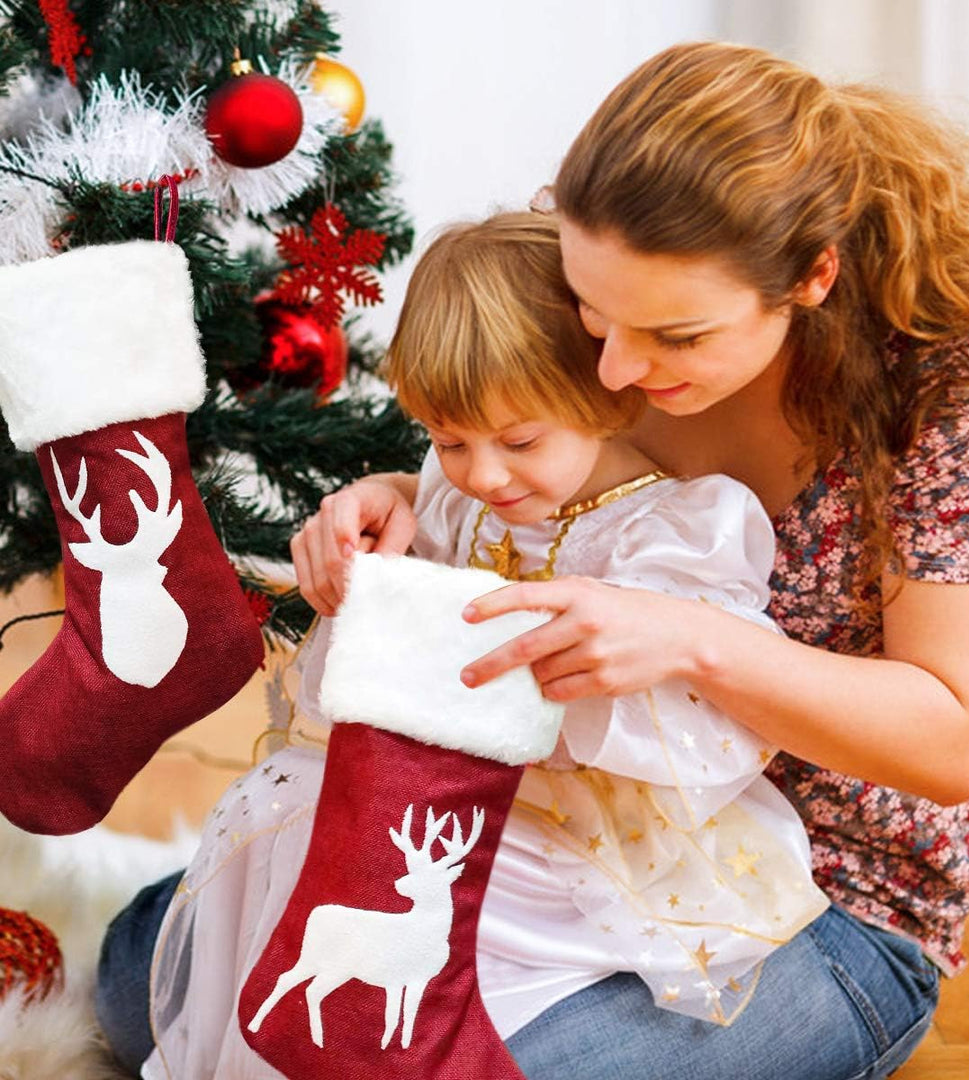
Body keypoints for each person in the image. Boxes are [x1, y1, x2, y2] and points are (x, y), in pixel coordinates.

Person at [97, 41, 969, 1080]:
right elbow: (518, 452)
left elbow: (957, 742)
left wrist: (692, 645)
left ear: (811, 277)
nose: (615, 368)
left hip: (823, 905)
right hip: (549, 826)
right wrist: (400, 500)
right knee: (141, 987)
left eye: (674, 337)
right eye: (596, 320)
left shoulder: (950, 393)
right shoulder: (600, 284)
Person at [97, 210, 828, 1079]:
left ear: (603, 392)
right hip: (443, 800)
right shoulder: (451, 495)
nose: (481, 474)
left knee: (428, 962)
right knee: (267, 860)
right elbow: (373, 671)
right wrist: (359, 594)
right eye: (449, 440)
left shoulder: (680, 529)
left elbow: (708, 726)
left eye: (520, 442)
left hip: (594, 832)